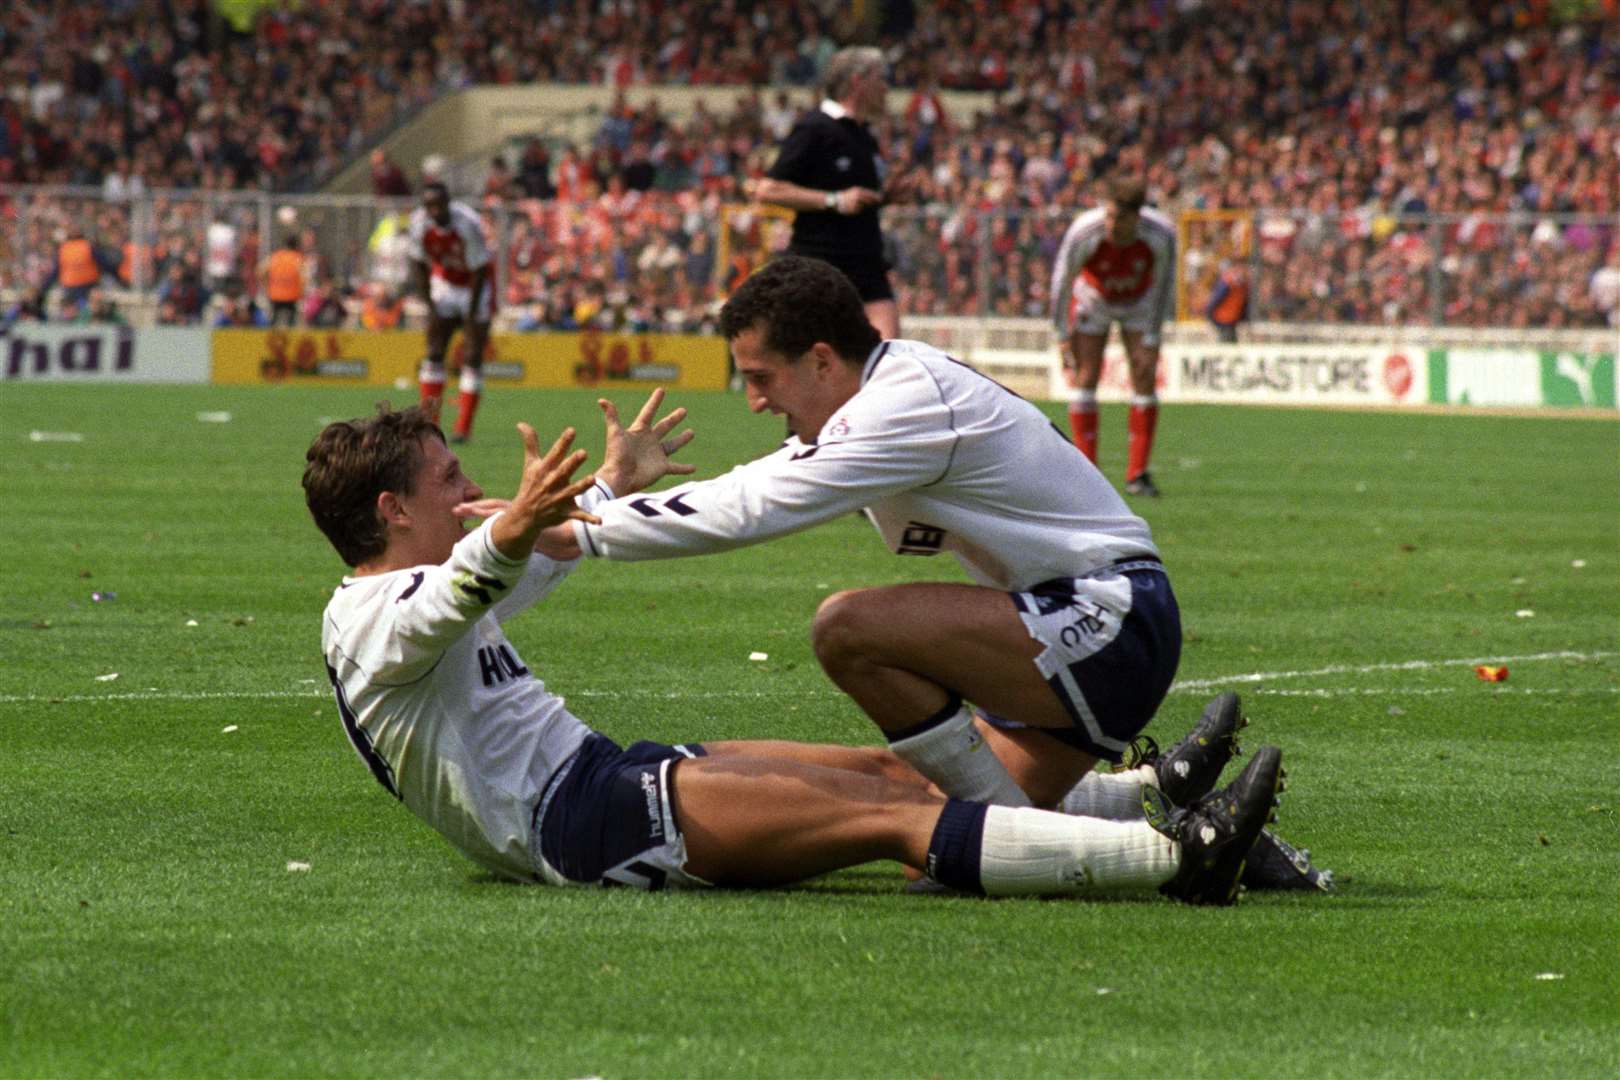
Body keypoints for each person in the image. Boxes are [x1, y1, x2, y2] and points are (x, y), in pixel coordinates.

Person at [505, 256, 1326, 893]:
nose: (754, 401)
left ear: (822, 360)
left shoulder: (899, 406)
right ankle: (1165, 806)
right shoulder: (884, 392)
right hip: (1077, 626)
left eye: (761, 377)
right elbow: (749, 483)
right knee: (908, 787)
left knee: (849, 630)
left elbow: (752, 506)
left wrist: (579, 529)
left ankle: (1026, 841)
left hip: (1105, 620)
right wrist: (601, 494)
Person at [301, 389, 1283, 903]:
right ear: (392, 512)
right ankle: (1177, 860)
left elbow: (522, 566)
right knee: (884, 822)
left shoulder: (429, 587)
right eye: (448, 481)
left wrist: (605, 485)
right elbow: (458, 591)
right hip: (581, 827)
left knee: (887, 773)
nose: (468, 490)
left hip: (605, 775)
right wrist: (509, 528)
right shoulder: (368, 618)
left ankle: (1147, 796)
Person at [753, 46, 903, 340]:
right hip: (821, 266)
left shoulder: (864, 134)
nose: (887, 87)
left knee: (888, 360)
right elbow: (768, 189)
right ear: (858, 81)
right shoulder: (815, 128)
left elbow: (854, 199)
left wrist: (886, 197)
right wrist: (834, 200)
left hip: (866, 264)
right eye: (881, 78)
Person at [1051, 177, 1177, 497]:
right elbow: (1062, 281)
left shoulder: (1161, 235)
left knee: (1145, 375)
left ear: (1137, 217)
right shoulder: (1085, 232)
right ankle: (1086, 474)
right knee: (1087, 375)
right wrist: (1061, 334)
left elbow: (1164, 286)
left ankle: (1137, 475)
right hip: (1094, 298)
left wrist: (1152, 337)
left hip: (1140, 302)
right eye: (1108, 215)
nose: (1111, 224)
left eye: (1118, 218)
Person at [408, 181, 494, 444]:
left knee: (472, 353)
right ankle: (429, 423)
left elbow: (480, 269)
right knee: (434, 350)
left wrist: (470, 313)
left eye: (439, 205)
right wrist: (430, 305)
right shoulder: (419, 223)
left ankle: (463, 428)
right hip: (444, 283)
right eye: (429, 206)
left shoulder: (467, 223)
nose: (434, 211)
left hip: (473, 286)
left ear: (448, 203)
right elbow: (418, 263)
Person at [265, 235, 304, 327]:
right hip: (292, 295)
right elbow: (304, 277)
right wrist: (302, 291)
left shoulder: (275, 257)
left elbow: (260, 271)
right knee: (291, 323)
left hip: (275, 294)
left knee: (273, 322)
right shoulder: (297, 258)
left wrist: (267, 285)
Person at [1206, 261, 1249, 343]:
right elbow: (1215, 300)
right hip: (1224, 319)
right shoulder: (1227, 283)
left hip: (1233, 320)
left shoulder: (1243, 285)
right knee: (1226, 342)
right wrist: (1210, 314)